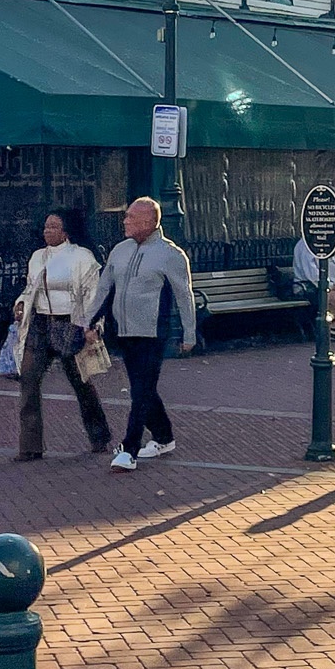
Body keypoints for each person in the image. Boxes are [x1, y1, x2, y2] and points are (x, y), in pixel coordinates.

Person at [85, 197, 197, 470]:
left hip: (152, 332)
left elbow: (185, 295)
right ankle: (164, 436)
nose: (124, 221)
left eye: (131, 218)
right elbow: (103, 289)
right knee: (142, 388)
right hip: (123, 330)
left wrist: (189, 334)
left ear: (148, 222)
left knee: (141, 390)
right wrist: (89, 322)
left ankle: (129, 449)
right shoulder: (119, 250)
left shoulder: (171, 254)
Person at [12, 208, 110, 461]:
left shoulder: (81, 257)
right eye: (45, 227)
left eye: (54, 227)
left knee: (81, 383)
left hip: (70, 324)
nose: (48, 231)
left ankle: (99, 437)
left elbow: (94, 294)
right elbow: (30, 289)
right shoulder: (36, 257)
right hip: (41, 324)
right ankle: (30, 447)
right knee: (28, 380)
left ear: (66, 231)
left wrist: (92, 326)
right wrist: (21, 303)